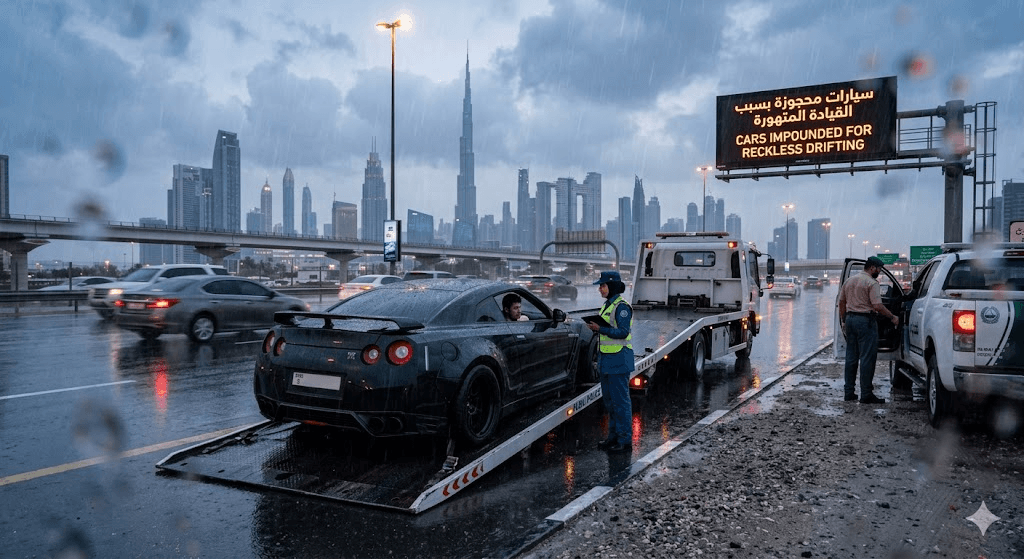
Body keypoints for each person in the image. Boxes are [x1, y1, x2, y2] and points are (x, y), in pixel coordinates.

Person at [838, 256, 899, 404]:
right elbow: (877, 306)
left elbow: (841, 302)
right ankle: (866, 394)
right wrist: (892, 317)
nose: (879, 272)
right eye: (879, 269)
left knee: (851, 358)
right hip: (866, 321)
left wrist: (844, 320)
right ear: (872, 268)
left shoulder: (850, 280)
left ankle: (849, 393)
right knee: (867, 358)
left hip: (851, 320)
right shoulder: (872, 283)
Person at [586, 270, 634, 452]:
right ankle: (613, 438)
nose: (600, 289)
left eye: (603, 285)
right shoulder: (607, 305)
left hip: (619, 359)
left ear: (612, 286)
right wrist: (596, 328)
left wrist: (601, 329)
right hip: (607, 360)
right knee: (610, 402)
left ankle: (625, 441)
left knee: (621, 403)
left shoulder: (622, 307)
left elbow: (623, 332)